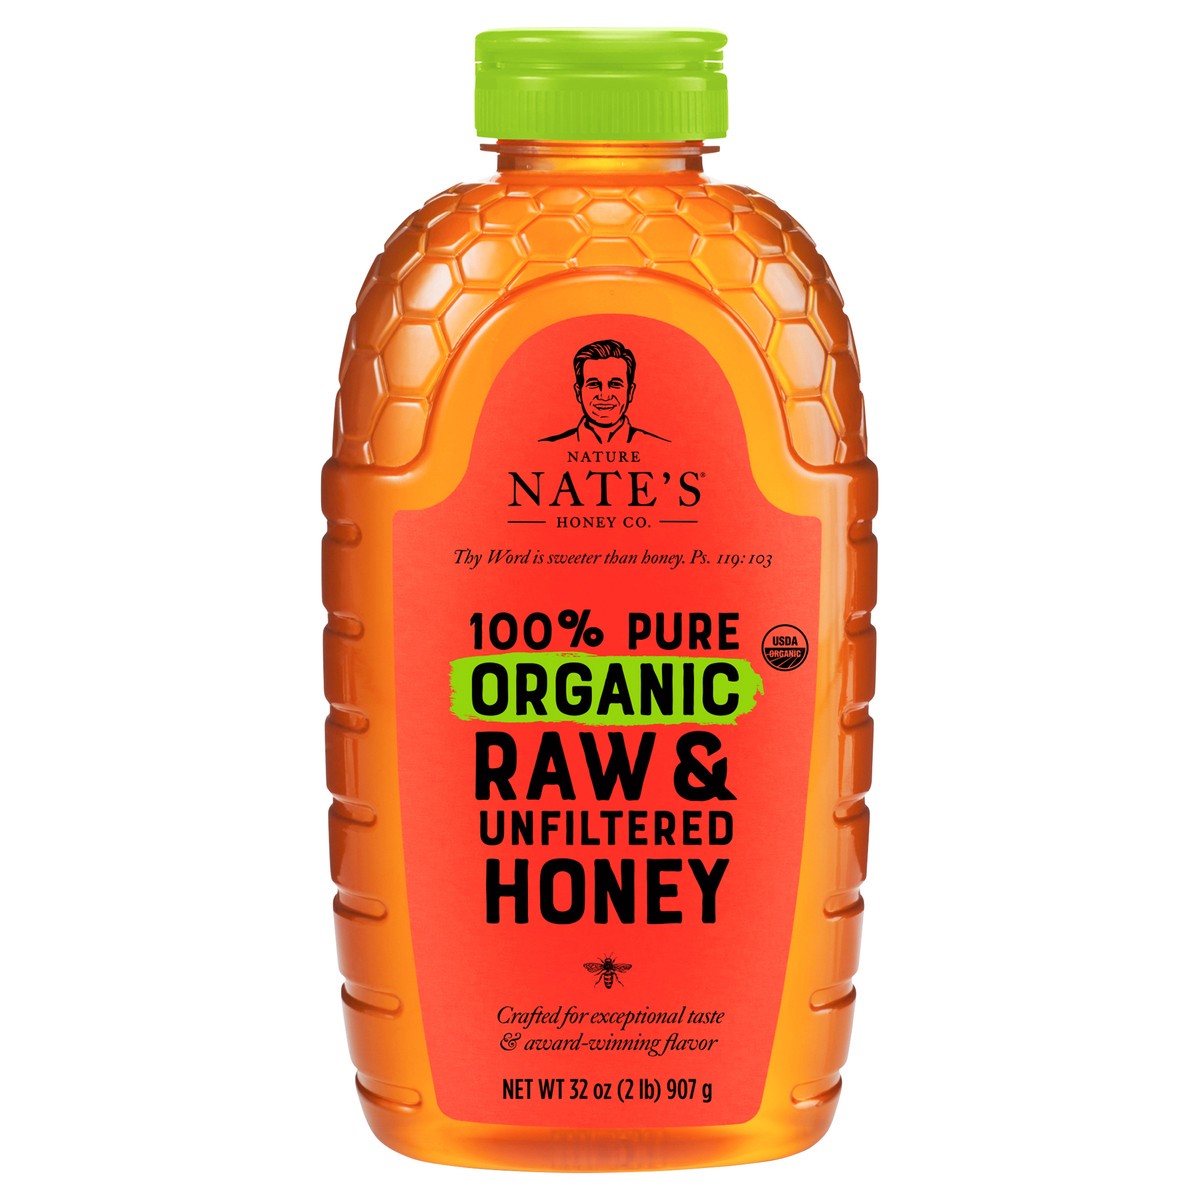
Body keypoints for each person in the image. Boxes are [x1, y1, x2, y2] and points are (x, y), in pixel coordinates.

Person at [541, 339, 669, 443]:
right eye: (594, 384)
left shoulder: (661, 448)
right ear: (578, 392)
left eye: (615, 384)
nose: (604, 396)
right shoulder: (548, 449)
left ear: (630, 392)